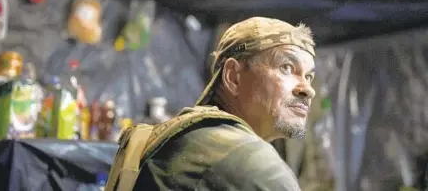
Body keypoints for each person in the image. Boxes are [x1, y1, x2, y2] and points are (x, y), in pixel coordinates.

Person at [109, 17, 317, 191]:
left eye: (309, 76)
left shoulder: (188, 137)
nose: (308, 89)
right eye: (287, 67)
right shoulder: (246, 158)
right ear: (233, 77)